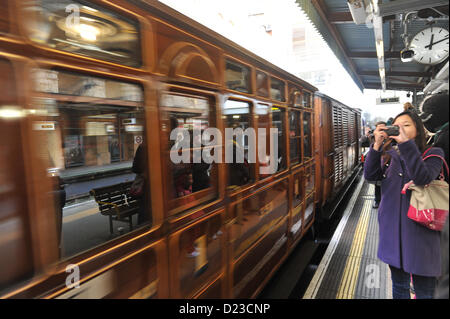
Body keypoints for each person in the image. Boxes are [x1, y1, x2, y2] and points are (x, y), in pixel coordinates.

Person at [364, 110, 445, 299]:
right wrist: (376, 146)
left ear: (418, 129)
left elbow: (422, 177)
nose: (400, 129)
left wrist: (405, 144)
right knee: (399, 286)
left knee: (425, 290)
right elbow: (370, 176)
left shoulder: (433, 153)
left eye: (406, 125)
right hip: (392, 232)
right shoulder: (390, 154)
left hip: (422, 233)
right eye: (396, 125)